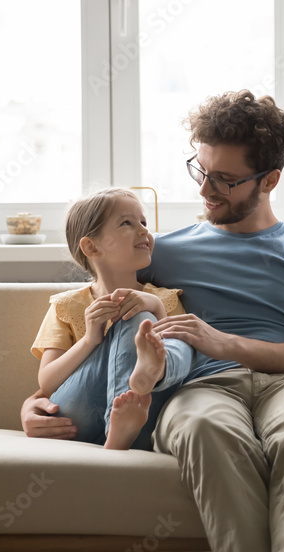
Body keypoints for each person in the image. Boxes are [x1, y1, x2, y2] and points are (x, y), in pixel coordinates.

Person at [21, 90, 284, 552]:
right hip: (202, 385)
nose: (205, 190)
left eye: (225, 179)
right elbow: (99, 293)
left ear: (270, 180)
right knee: (202, 427)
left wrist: (223, 343)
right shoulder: (161, 251)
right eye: (201, 170)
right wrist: (37, 399)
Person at [30, 187, 197, 451]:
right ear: (91, 246)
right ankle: (120, 424)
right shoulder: (66, 305)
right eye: (126, 223)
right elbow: (48, 384)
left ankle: (121, 430)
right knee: (137, 314)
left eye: (143, 222)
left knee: (163, 328)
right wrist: (89, 340)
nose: (144, 231)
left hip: (144, 413)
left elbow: (185, 366)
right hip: (79, 414)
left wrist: (157, 311)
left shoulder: (163, 299)